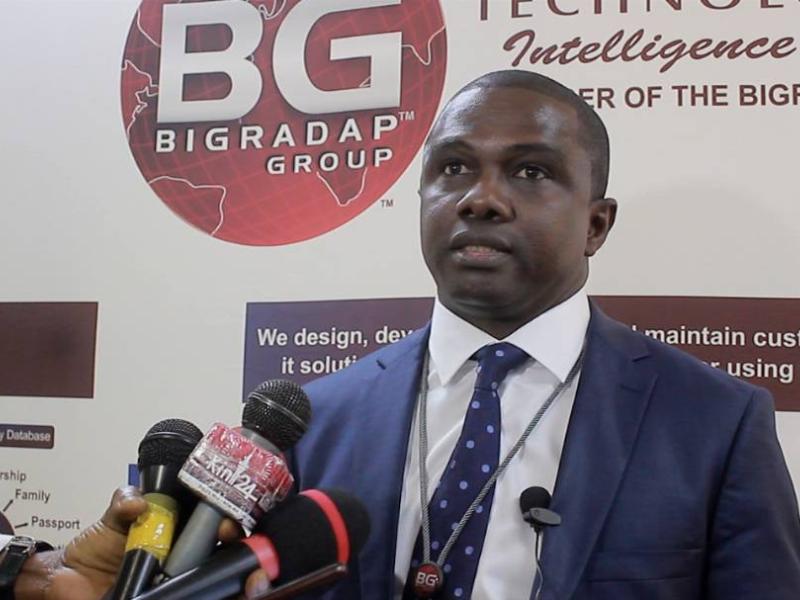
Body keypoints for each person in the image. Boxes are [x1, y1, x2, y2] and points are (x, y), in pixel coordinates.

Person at [9, 69, 800, 599]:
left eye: (530, 171)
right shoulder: (314, 418)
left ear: (597, 224)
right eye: (453, 168)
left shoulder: (716, 423)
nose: (481, 199)